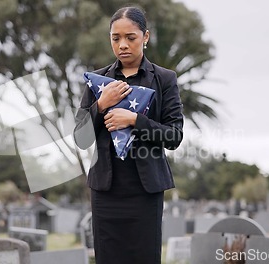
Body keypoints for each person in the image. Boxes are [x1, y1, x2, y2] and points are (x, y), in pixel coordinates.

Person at [74, 6, 184, 264]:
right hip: (106, 191)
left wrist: (136, 120)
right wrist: (102, 104)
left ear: (145, 37)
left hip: (145, 193)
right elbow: (81, 137)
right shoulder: (96, 80)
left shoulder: (165, 79)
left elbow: (174, 135)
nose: (122, 45)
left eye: (130, 37)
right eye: (115, 38)